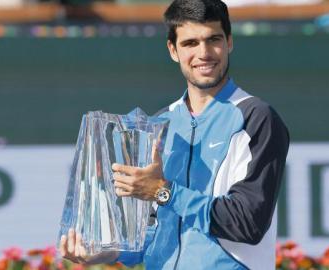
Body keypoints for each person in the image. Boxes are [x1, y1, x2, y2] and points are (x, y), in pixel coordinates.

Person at [60, 0, 289, 269]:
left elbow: (247, 223)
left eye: (213, 39)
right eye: (190, 43)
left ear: (229, 42)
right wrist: (108, 253)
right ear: (173, 50)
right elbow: (158, 231)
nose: (204, 53)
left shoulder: (256, 118)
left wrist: (163, 191)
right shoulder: (161, 123)